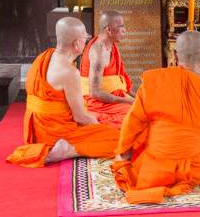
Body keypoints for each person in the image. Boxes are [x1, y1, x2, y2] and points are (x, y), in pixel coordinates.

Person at [112, 31, 200, 204]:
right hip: (191, 170)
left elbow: (132, 124)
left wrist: (124, 160)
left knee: (142, 136)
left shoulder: (154, 81)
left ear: (174, 54)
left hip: (153, 171)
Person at [7, 18, 119, 168]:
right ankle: (68, 150)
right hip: (54, 132)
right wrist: (99, 126)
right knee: (119, 140)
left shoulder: (43, 57)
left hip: (34, 129)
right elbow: (80, 117)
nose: (86, 42)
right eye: (85, 38)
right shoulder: (69, 72)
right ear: (77, 43)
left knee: (103, 121)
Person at [79, 11, 134, 128]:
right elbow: (95, 93)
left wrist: (138, 97)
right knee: (137, 116)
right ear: (109, 30)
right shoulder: (98, 52)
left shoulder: (111, 46)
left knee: (147, 108)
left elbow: (118, 84)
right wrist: (130, 101)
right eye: (121, 26)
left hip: (115, 98)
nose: (124, 30)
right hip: (98, 104)